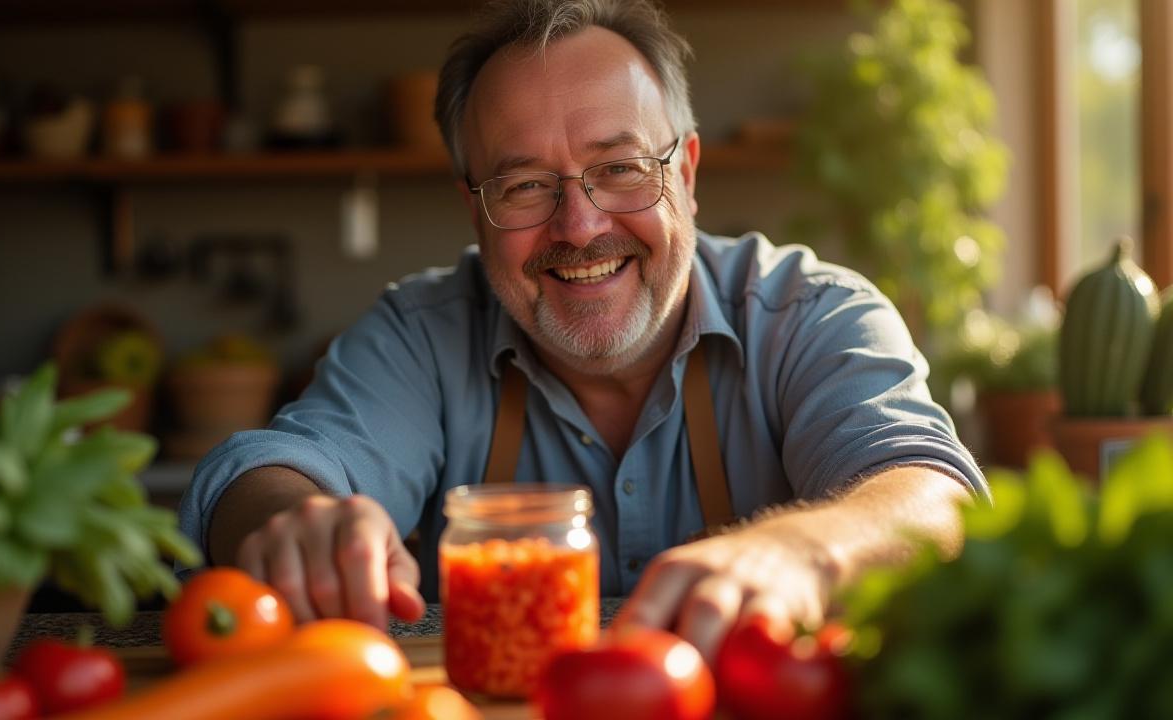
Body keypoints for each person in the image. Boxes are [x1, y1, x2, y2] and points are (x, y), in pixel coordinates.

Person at [178, 0, 986, 658]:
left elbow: (932, 497)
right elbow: (268, 469)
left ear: (688, 173)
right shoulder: (421, 336)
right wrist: (292, 522)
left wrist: (796, 554)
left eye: (621, 168)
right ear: (477, 209)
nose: (579, 223)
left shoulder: (811, 313)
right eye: (525, 185)